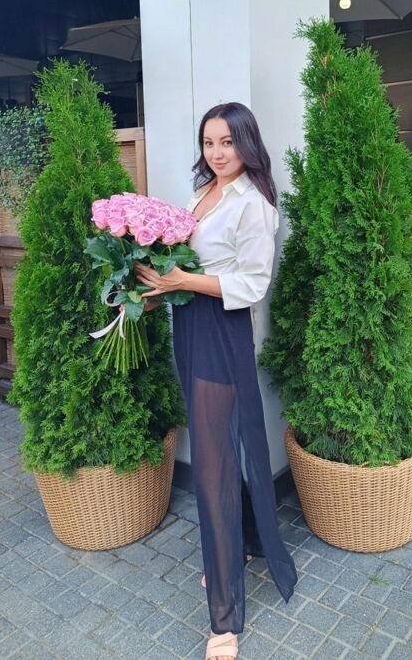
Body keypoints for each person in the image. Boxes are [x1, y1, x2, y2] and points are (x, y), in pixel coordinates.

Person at [135, 102, 297, 660]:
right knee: (219, 453)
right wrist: (159, 286)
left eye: (227, 141)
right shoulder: (202, 193)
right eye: (209, 142)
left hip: (222, 333)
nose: (217, 152)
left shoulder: (254, 205)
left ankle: (225, 618)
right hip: (190, 325)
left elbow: (251, 284)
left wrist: (183, 279)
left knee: (211, 466)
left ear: (247, 143)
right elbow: (187, 264)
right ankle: (238, 545)